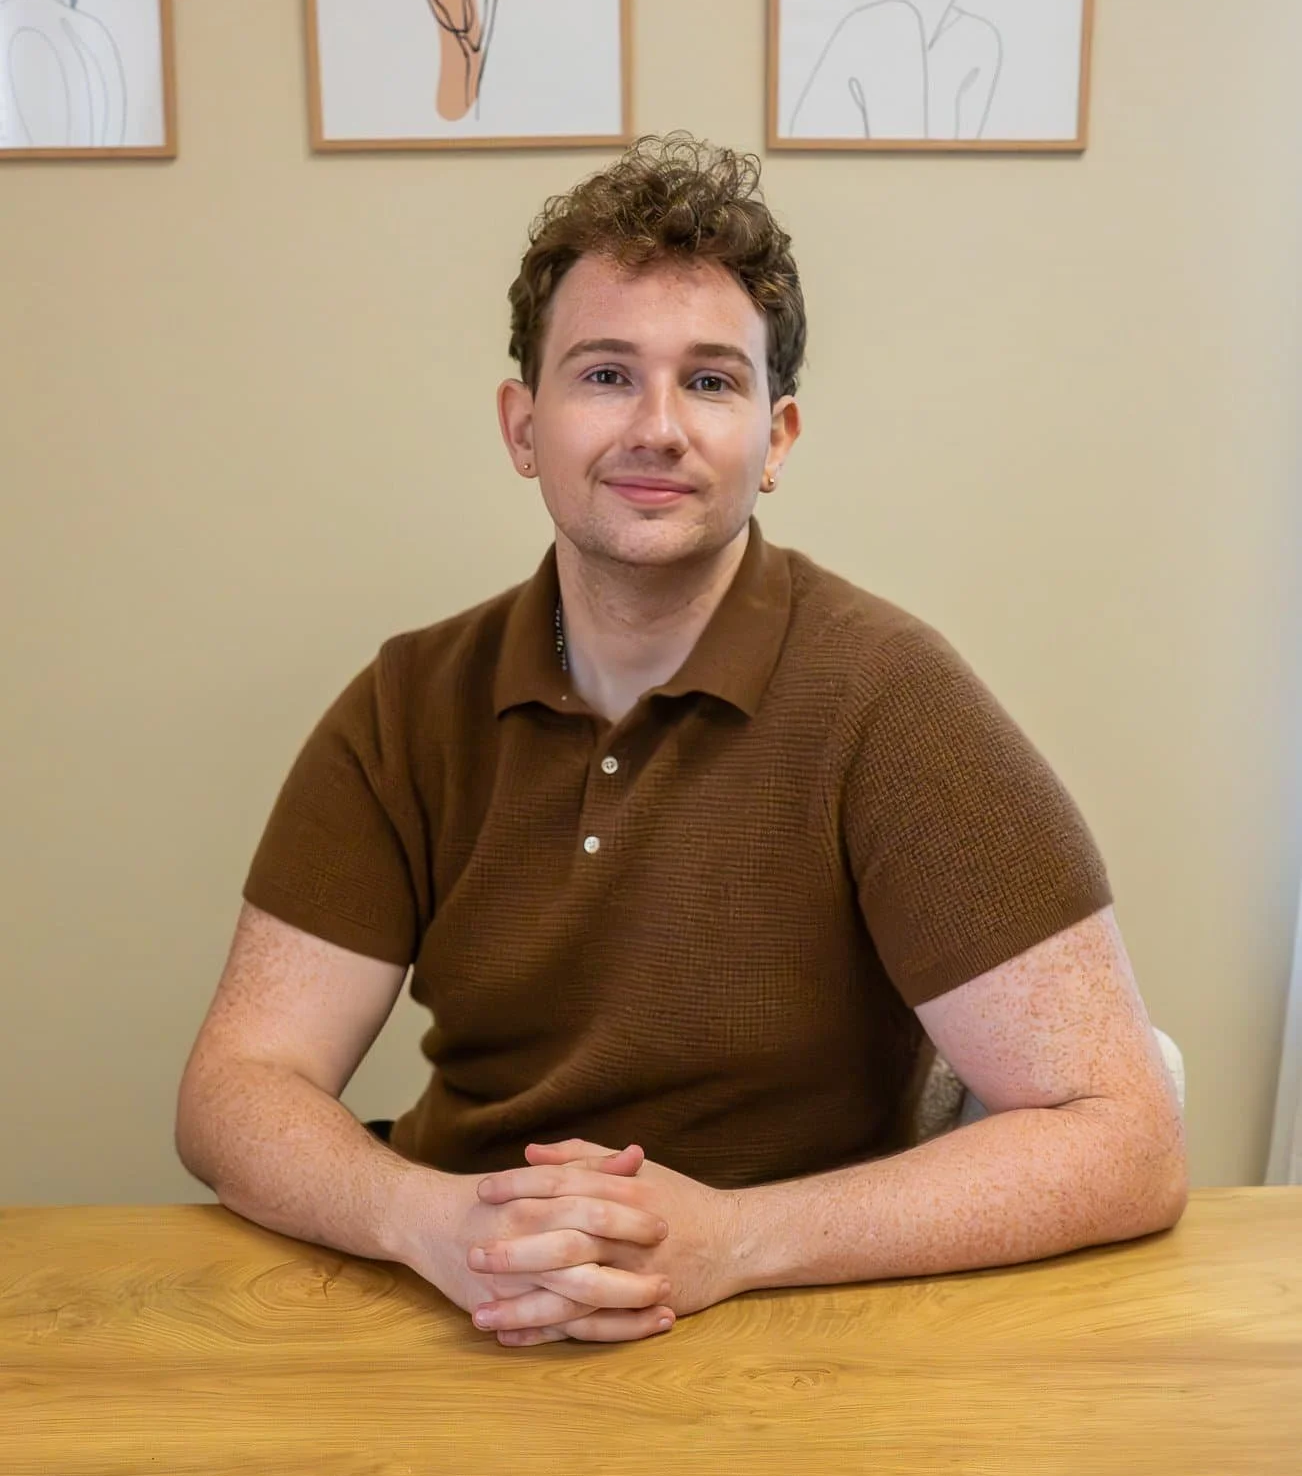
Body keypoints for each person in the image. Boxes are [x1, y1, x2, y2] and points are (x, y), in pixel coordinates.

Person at [175, 133, 1188, 1349]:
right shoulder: (406, 704)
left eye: (711, 381)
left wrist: (734, 1239)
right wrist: (428, 1219)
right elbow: (234, 1088)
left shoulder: (893, 699)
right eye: (605, 374)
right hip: (465, 1296)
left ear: (778, 440)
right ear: (521, 423)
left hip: (798, 1321)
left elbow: (1128, 1136)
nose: (657, 426)